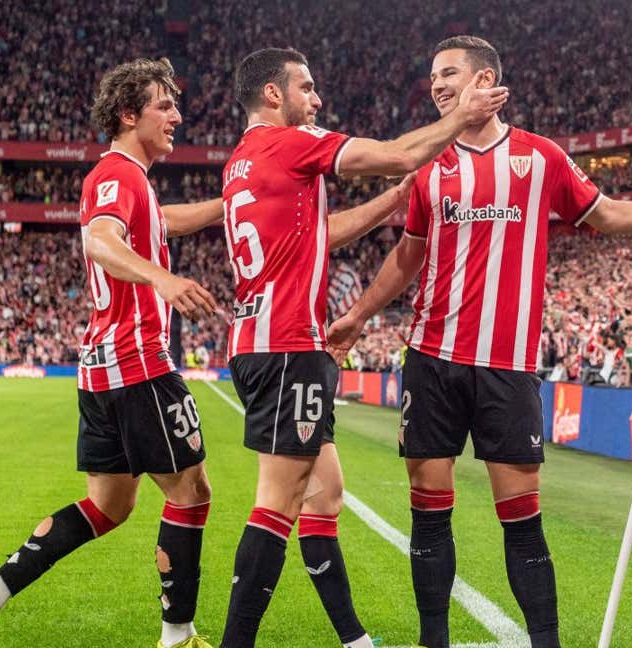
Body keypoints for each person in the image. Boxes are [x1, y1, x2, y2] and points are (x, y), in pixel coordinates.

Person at [326, 35, 632, 648]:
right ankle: (432, 641)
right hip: (432, 358)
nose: (437, 86)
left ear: (485, 80)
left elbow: (605, 214)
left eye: (449, 74)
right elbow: (408, 255)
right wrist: (359, 316)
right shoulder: (428, 165)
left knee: (522, 518)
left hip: (508, 365)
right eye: (434, 77)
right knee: (429, 506)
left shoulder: (539, 157)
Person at [217, 47, 507, 648]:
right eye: (307, 87)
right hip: (288, 346)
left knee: (326, 497)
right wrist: (461, 116)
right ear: (275, 94)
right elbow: (401, 153)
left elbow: (320, 234)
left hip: (261, 341)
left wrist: (396, 201)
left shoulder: (242, 162)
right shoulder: (290, 143)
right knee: (278, 501)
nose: (317, 99)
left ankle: (354, 638)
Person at [0, 58, 224, 648]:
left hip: (102, 368)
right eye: (164, 105)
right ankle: (178, 637)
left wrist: (228, 206)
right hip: (138, 363)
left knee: (108, 505)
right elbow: (100, 239)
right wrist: (162, 280)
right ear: (130, 115)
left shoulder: (135, 184)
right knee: (191, 492)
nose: (177, 115)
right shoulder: (117, 175)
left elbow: (162, 221)